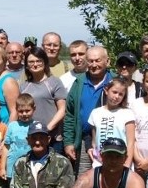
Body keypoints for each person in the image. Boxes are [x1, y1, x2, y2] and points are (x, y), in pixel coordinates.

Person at [63, 46, 111, 175]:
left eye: (98, 60)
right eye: (90, 61)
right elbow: (70, 115)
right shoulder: (79, 83)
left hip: (110, 140)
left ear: (107, 61)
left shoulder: (115, 82)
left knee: (108, 179)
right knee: (83, 182)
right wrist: (68, 142)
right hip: (83, 141)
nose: (94, 65)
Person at [20, 47, 67, 153]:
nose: (35, 64)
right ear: (27, 66)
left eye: (38, 61)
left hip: (52, 138)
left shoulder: (54, 82)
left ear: (45, 63)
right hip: (31, 138)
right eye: (31, 62)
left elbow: (62, 109)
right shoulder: (24, 87)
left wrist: (48, 128)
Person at [88, 77, 135, 168]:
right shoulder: (95, 113)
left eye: (121, 94)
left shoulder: (127, 113)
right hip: (100, 163)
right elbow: (94, 141)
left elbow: (131, 143)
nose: (117, 96)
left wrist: (127, 164)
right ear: (106, 90)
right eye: (114, 92)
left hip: (121, 162)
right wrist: (96, 156)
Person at [2, 94, 35, 183]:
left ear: (34, 109)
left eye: (27, 111)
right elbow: (6, 147)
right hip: (12, 167)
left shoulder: (36, 126)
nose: (24, 114)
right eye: (21, 111)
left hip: (30, 168)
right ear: (16, 110)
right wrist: (2, 168)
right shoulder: (12, 125)